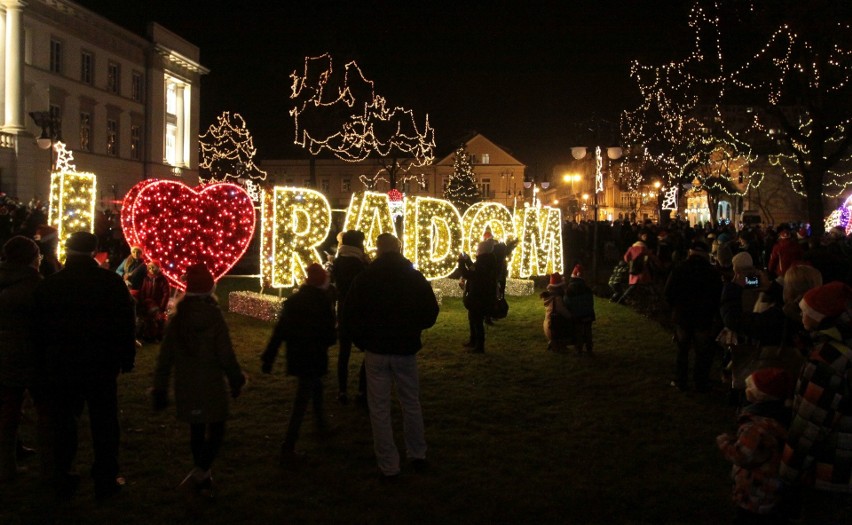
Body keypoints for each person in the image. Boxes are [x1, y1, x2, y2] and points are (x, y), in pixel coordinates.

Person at [32, 231, 135, 500]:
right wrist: (126, 357)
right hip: (101, 363)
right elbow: (125, 321)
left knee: (64, 421)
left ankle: (63, 474)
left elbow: (38, 329)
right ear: (94, 250)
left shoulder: (51, 285)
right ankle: (105, 476)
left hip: (62, 364)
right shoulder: (110, 282)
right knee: (104, 422)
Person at [340, 233, 439, 481]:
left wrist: (363, 341)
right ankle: (417, 455)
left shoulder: (366, 277)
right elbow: (430, 311)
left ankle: (389, 465)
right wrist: (414, 329)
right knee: (411, 403)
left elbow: (350, 313)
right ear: (399, 249)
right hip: (405, 349)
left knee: (379, 408)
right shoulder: (413, 277)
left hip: (376, 350)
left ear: (378, 250)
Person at [152, 263, 245, 499]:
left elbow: (165, 357)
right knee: (217, 429)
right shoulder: (214, 316)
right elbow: (225, 352)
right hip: (211, 383)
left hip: (187, 385)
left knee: (196, 430)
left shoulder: (177, 318)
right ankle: (199, 475)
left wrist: (160, 387)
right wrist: (235, 378)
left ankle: (203, 477)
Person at [779, 281, 852, 523]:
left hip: (831, 468)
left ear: (819, 317)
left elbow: (809, 424)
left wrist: (788, 472)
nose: (801, 317)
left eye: (805, 312)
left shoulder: (826, 362)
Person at [262, 263, 337, 463]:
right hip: (314, 357)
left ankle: (321, 426)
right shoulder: (323, 302)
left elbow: (280, 331)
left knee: (316, 389)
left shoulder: (293, 301)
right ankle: (288, 446)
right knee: (302, 401)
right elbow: (330, 336)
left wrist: (269, 357)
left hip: (297, 356)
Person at [716, 367, 793, 524]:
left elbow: (742, 454)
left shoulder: (756, 427)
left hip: (756, 492)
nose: (746, 389)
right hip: (774, 487)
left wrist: (724, 442)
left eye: (750, 387)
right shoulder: (781, 418)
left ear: (761, 395)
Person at [0, 236, 47, 483]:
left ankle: (12, 455)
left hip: (7, 353)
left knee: (8, 407)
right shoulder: (32, 286)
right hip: (27, 354)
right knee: (38, 410)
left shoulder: (6, 279)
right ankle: (13, 468)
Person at [664, 241, 722, 392]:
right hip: (703, 317)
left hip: (683, 316)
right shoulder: (711, 272)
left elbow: (668, 292)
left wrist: (675, 307)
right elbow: (718, 295)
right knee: (702, 352)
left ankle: (681, 381)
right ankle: (700, 381)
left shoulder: (679, 269)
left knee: (682, 350)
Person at [330, 230, 369, 405]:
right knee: (369, 352)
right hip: (361, 313)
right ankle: (362, 390)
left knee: (343, 354)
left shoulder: (337, 262)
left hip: (343, 313)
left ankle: (342, 390)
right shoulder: (361, 264)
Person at [457, 241, 498, 353]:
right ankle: (473, 341)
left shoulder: (483, 263)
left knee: (477, 320)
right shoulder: (486, 261)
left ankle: (479, 346)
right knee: (473, 318)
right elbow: (474, 269)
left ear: (482, 250)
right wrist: (468, 260)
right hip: (480, 294)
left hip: (479, 296)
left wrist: (461, 262)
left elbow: (468, 274)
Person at [564, 264, 596, 356]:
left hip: (578, 315)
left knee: (578, 332)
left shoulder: (570, 289)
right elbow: (591, 301)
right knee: (588, 331)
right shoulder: (587, 288)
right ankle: (589, 349)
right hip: (588, 314)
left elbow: (567, 302)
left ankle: (579, 350)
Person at [136, 261, 171, 342]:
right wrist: (142, 301)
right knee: (147, 320)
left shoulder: (162, 279)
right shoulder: (146, 278)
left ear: (158, 268)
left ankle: (158, 336)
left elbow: (166, 294)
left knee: (158, 319)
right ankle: (147, 335)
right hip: (147, 303)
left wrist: (162, 306)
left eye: (153, 267)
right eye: (150, 267)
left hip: (158, 304)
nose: (151, 269)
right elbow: (143, 291)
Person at [540, 272, 572, 352]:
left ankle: (554, 343)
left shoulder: (550, 296)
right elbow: (566, 314)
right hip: (553, 329)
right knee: (571, 322)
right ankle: (558, 344)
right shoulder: (557, 299)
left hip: (548, 326)